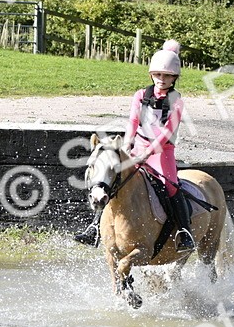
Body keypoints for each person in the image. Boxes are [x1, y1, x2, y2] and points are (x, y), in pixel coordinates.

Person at [75, 40, 195, 250]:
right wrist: (128, 144)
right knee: (113, 180)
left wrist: (148, 152)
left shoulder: (176, 101)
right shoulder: (141, 95)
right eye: (158, 75)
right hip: (137, 146)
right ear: (151, 74)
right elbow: (132, 122)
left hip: (162, 152)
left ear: (174, 78)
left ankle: (185, 232)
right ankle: (94, 227)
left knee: (171, 187)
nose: (161, 79)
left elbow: (167, 132)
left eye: (167, 76)